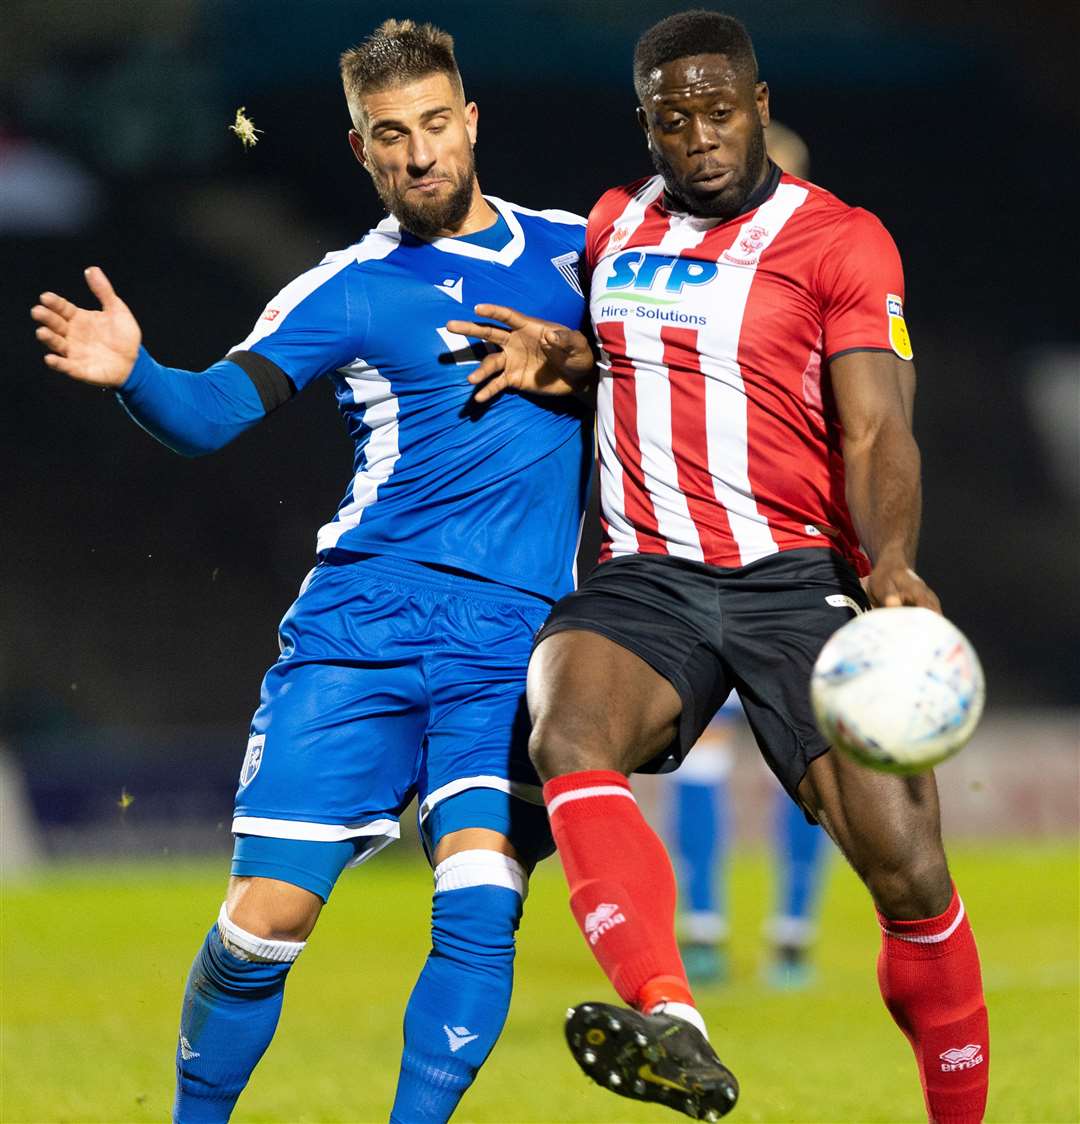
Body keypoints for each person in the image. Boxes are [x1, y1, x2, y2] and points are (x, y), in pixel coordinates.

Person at [31, 19, 591, 1124]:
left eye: (437, 124)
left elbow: (662, 356)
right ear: (361, 150)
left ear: (471, 122)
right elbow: (207, 413)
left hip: (516, 644)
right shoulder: (342, 290)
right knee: (260, 926)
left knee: (481, 902)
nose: (421, 153)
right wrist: (136, 372)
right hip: (361, 629)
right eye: (394, 136)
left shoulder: (582, 250)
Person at [448, 10, 989, 1122]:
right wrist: (565, 356)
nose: (697, 135)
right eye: (671, 116)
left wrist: (892, 561)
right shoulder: (614, 226)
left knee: (911, 874)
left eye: (717, 110)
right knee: (566, 726)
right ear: (646, 123)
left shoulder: (840, 241)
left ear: (761, 104)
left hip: (797, 578)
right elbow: (632, 361)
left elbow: (880, 429)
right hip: (647, 575)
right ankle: (672, 1019)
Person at [666, 122, 828, 992]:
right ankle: (703, 921)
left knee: (809, 746)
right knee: (706, 752)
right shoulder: (686, 297)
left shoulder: (822, 295)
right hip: (689, 553)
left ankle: (794, 926)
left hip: (795, 558)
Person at [668, 691, 830, 989]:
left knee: (805, 765)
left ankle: (792, 938)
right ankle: (702, 932)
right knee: (698, 761)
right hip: (714, 644)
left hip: (783, 647)